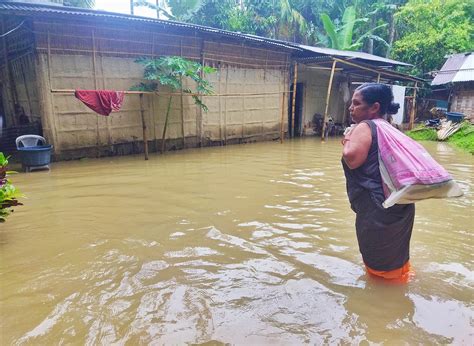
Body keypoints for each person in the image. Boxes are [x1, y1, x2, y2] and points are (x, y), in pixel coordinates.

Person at [341, 83, 415, 282]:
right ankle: (401, 283)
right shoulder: (390, 127)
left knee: (379, 263)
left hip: (377, 208)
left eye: (356, 103)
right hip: (401, 203)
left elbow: (351, 157)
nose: (351, 107)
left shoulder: (366, 126)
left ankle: (383, 303)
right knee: (396, 253)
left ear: (374, 107)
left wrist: (348, 136)